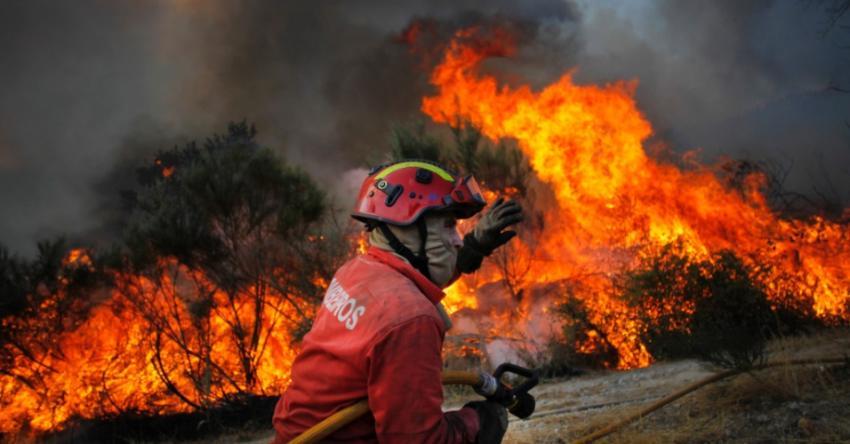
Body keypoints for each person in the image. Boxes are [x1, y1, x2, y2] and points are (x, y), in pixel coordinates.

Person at [273, 160, 523, 443]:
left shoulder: (357, 271)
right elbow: (417, 440)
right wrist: (477, 422)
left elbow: (411, 282)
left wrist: (474, 247)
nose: (457, 240)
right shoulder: (410, 320)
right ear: (407, 230)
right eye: (448, 226)